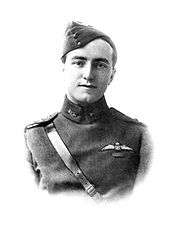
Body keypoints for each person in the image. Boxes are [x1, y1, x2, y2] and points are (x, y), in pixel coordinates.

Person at [24, 21, 151, 200]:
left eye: (100, 65)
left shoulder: (139, 135)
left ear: (112, 75)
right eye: (79, 62)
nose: (88, 74)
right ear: (64, 68)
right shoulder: (34, 136)